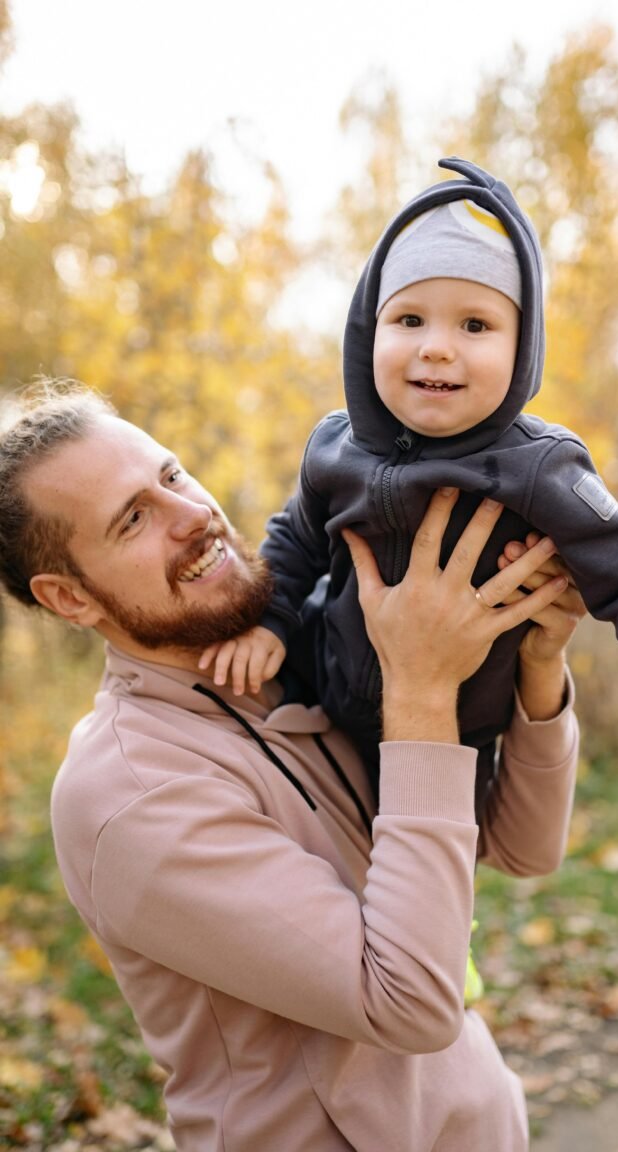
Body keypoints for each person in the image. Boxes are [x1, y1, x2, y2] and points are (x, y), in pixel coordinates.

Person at [0, 380, 583, 1151]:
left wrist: (539, 667)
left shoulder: (302, 654)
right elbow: (405, 1004)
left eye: (171, 476)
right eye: (133, 519)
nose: (193, 515)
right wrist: (420, 686)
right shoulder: (128, 793)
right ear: (69, 598)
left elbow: (519, 848)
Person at [207, 156, 618, 814]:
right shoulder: (334, 446)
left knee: (426, 869)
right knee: (311, 838)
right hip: (320, 694)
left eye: (475, 325)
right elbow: (295, 539)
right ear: (366, 333)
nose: (436, 347)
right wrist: (269, 621)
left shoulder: (541, 468)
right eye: (409, 320)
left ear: (522, 347)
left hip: (455, 736)